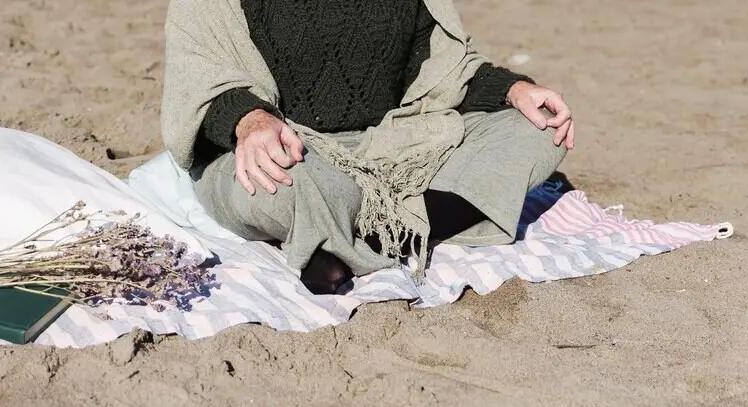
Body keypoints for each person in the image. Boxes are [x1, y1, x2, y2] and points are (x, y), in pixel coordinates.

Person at [159, 0, 574, 295]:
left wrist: (512, 89)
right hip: (294, 148)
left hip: (391, 145)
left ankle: (363, 240)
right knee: (280, 184)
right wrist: (249, 120)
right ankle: (381, 223)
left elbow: (442, 70)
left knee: (538, 130)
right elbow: (198, 73)